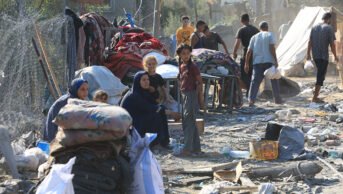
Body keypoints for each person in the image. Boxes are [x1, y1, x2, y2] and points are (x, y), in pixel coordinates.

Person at [120, 71, 181, 149]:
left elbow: (155, 104)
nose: (147, 82)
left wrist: (169, 112)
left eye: (147, 79)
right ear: (138, 81)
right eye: (144, 80)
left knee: (160, 112)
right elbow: (152, 108)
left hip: (139, 117)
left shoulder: (143, 92)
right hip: (131, 122)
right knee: (156, 115)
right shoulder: (135, 95)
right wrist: (172, 113)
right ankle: (155, 143)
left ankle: (163, 142)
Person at [245, 21, 283, 107]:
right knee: (274, 80)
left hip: (257, 62)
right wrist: (276, 60)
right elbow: (272, 47)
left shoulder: (254, 37)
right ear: (267, 27)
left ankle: (251, 100)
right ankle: (277, 99)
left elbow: (249, 51)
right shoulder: (270, 35)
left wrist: (246, 64)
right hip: (269, 61)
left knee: (255, 82)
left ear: (260, 28)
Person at [176, 44, 205, 156]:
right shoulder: (182, 65)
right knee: (189, 121)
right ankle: (196, 148)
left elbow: (200, 83)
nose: (186, 55)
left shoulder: (193, 66)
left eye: (188, 53)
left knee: (188, 121)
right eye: (183, 54)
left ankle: (188, 148)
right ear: (179, 55)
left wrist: (200, 100)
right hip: (185, 94)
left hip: (191, 94)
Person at [307, 12, 339, 103]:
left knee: (320, 75)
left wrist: (308, 54)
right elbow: (332, 45)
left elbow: (310, 42)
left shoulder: (314, 27)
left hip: (315, 56)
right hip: (324, 56)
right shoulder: (329, 28)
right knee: (320, 76)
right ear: (328, 19)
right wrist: (335, 56)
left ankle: (315, 94)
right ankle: (315, 97)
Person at [44, 78, 88, 142]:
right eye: (82, 89)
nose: (85, 92)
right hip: (54, 134)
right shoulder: (67, 101)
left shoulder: (77, 100)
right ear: (75, 89)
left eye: (87, 89)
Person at [233, 14, 259, 97]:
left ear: (241, 21)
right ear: (249, 19)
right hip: (255, 55)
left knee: (244, 73)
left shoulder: (241, 30)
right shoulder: (256, 30)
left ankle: (249, 90)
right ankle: (251, 92)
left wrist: (234, 53)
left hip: (246, 54)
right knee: (253, 73)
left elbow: (237, 43)